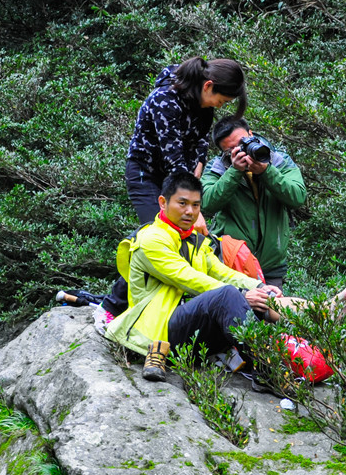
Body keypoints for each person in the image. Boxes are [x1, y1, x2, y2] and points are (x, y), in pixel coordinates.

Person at [105, 172, 346, 382]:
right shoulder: (151, 239)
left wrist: (259, 285)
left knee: (258, 297)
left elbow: (219, 270)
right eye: (182, 203)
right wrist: (241, 295)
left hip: (191, 329)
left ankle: (322, 313)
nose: (190, 212)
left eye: (196, 205)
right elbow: (188, 278)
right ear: (163, 203)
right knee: (229, 296)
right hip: (158, 335)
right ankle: (270, 367)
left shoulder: (193, 239)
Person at [99, 57, 247, 322]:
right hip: (147, 173)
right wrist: (193, 208)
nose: (219, 106)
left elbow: (199, 148)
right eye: (221, 101)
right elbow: (174, 158)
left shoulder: (203, 105)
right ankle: (110, 308)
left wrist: (193, 192)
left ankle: (162, 309)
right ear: (208, 86)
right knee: (153, 237)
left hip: (179, 176)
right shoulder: (165, 99)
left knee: (185, 239)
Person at [202, 116, 307, 289]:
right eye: (232, 150)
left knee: (274, 312)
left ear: (251, 134)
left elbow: (298, 197)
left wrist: (267, 172)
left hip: (272, 265)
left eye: (243, 142)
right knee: (236, 315)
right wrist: (234, 172)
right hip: (233, 263)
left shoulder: (279, 160)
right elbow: (207, 203)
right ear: (223, 151)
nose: (241, 150)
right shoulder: (217, 168)